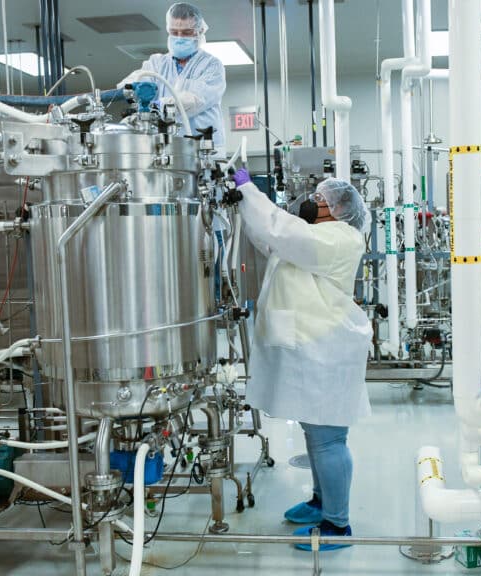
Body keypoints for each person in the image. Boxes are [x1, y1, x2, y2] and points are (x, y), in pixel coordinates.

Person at [225, 169, 372, 551]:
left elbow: (281, 231)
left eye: (320, 200)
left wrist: (249, 189)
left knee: (328, 439)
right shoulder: (315, 237)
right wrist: (245, 204)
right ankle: (322, 502)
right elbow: (268, 238)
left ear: (338, 211)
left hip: (328, 351)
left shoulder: (340, 238)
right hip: (313, 349)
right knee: (316, 433)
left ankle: (338, 526)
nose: (312, 202)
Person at [118, 3, 227, 152]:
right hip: (164, 147)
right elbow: (133, 82)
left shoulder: (212, 65)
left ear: (199, 31)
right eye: (174, 32)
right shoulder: (157, 63)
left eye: (186, 32)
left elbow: (194, 100)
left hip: (203, 149)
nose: (179, 38)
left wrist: (157, 106)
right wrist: (132, 89)